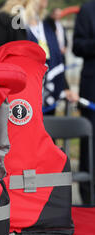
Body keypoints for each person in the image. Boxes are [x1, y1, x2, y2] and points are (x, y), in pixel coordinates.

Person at [73, 0, 95, 204]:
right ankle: (89, 199)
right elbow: (77, 46)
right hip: (92, 86)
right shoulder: (87, 9)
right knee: (90, 141)